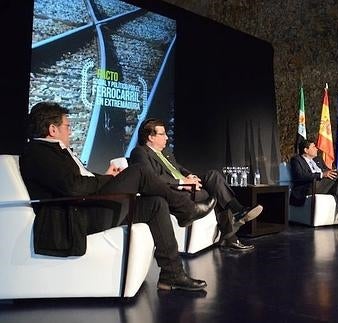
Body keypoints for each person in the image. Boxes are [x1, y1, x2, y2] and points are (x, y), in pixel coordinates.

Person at [19, 101, 217, 292]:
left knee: (156, 204)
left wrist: (106, 177)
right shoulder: (38, 153)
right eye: (67, 126)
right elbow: (73, 187)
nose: (69, 130)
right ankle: (186, 210)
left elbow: (78, 181)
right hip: (76, 218)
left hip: (87, 208)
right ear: (53, 130)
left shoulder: (54, 151)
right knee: (138, 171)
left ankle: (172, 274)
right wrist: (107, 181)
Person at [129, 118, 263, 251]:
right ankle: (230, 237)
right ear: (150, 137)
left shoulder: (166, 152)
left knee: (213, 176)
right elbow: (151, 178)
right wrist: (182, 183)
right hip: (173, 191)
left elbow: (179, 168)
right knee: (213, 193)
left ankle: (237, 210)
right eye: (162, 134)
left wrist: (190, 176)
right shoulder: (140, 152)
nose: (166, 138)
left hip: (186, 184)